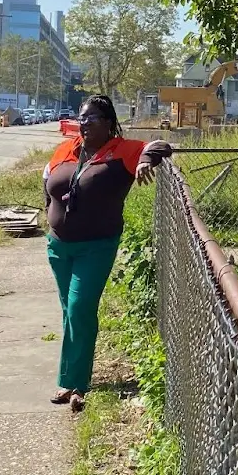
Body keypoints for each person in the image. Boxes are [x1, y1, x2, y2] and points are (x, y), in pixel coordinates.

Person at [42, 94, 171, 412]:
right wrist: (50, 216)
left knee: (80, 307)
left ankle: (78, 385)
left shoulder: (123, 150)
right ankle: (70, 378)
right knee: (69, 312)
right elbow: (48, 181)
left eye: (92, 119)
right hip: (59, 246)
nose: (84, 124)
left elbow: (160, 146)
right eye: (81, 118)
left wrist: (144, 161)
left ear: (109, 122)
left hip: (96, 245)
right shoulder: (66, 149)